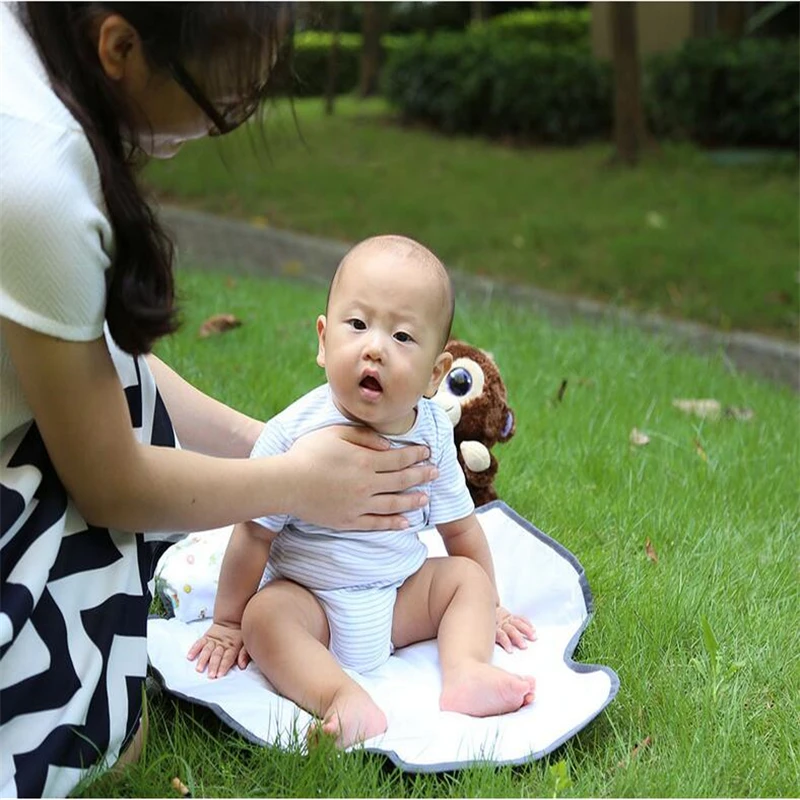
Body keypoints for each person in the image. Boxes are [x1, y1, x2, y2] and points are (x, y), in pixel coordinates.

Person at [0, 5, 438, 796]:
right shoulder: (36, 175)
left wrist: (270, 443)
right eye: (218, 106)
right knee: (102, 737)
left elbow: (92, 363)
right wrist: (298, 484)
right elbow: (109, 484)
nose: (216, 130)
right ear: (120, 46)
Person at [188, 235, 537, 749]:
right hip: (314, 604)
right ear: (324, 341)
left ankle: (465, 671)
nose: (375, 346)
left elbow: (461, 530)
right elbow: (252, 536)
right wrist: (227, 621)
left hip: (399, 598)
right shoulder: (292, 433)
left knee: (466, 580)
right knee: (266, 617)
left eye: (401, 336)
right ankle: (339, 697)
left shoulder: (433, 434)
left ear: (434, 373)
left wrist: (491, 607)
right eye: (357, 325)